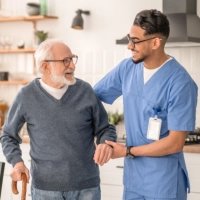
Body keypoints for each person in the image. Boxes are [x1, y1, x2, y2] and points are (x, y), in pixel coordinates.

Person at [93, 9, 198, 200]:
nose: (129, 46)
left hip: (164, 183)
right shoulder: (127, 68)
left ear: (155, 42)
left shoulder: (181, 83)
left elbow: (175, 143)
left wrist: (127, 151)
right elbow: (92, 96)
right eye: (129, 38)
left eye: (136, 40)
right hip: (134, 180)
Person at [0, 38, 116, 200]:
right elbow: (8, 135)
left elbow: (105, 128)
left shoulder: (85, 90)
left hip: (87, 188)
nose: (73, 66)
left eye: (72, 59)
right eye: (66, 61)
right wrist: (17, 162)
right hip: (45, 190)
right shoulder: (27, 96)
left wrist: (105, 142)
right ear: (46, 66)